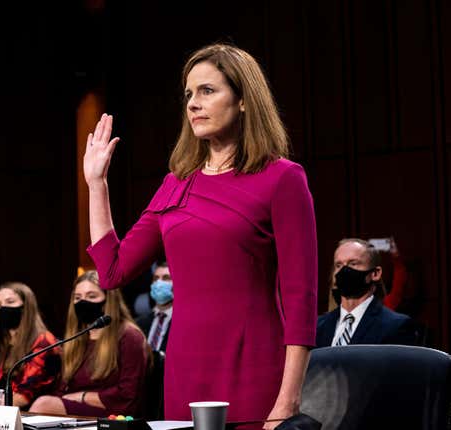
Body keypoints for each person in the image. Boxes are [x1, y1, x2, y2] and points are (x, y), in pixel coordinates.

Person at [83, 43, 318, 428]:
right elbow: (112, 272)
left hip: (255, 377)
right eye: (189, 94)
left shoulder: (282, 178)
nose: (193, 103)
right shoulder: (175, 184)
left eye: (208, 91)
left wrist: (288, 399)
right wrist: (97, 185)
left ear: (243, 100)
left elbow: (301, 297)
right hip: (185, 379)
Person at [29, 270, 148, 417]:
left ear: (108, 299)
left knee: (44, 405)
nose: (83, 302)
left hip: (114, 414)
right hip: (74, 412)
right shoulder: (78, 337)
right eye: (77, 298)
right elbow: (62, 389)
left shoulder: (129, 336)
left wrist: (82, 396)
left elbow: (128, 394)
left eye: (91, 296)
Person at [316, 239, 418, 347]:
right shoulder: (318, 326)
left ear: (375, 273)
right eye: (338, 265)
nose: (344, 270)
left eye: (353, 263)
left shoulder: (396, 326)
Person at [0, 282, 61, 409]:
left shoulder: (44, 342)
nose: (2, 308)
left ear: (26, 307)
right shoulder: (1, 344)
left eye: (10, 302)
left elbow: (23, 397)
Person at [135, 261, 173, 354]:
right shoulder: (139, 323)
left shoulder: (183, 322)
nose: (159, 283)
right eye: (155, 278)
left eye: (166, 278)